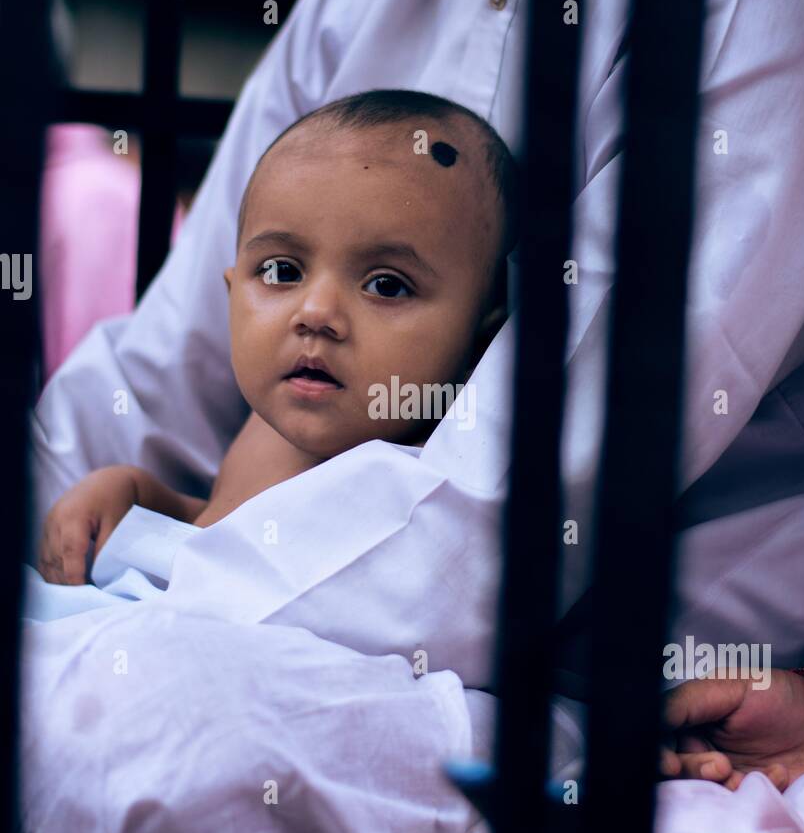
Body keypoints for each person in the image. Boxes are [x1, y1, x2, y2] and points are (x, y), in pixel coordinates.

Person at [21, 0, 804, 833]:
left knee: (133, 737)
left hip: (552, 714)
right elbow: (170, 364)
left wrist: (110, 620)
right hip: (234, 622)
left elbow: (484, 524)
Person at [36, 90, 513, 583]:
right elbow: (215, 533)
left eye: (386, 285)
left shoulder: (415, 486)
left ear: (481, 343)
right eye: (282, 271)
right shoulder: (266, 426)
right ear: (231, 296)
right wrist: (135, 494)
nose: (316, 313)